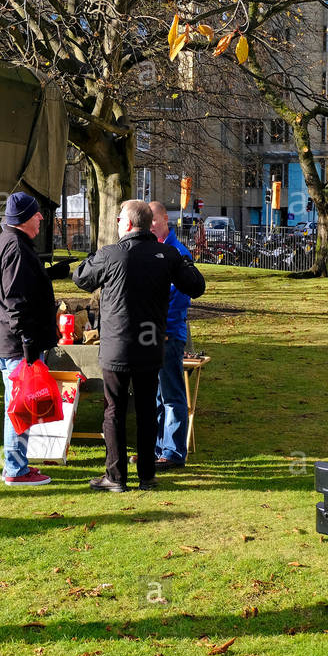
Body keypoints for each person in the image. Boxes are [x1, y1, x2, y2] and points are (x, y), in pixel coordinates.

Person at [73, 199, 205, 492]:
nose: (117, 222)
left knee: (114, 410)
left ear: (129, 224)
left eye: (119, 219)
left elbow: (80, 277)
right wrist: (182, 263)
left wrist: (99, 258)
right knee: (147, 409)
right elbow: (196, 285)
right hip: (149, 344)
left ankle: (116, 476)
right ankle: (146, 475)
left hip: (117, 346)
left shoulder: (111, 255)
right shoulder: (167, 254)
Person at [0, 191, 59, 486]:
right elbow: (16, 300)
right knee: (20, 406)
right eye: (37, 213)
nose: (41, 217)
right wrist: (29, 342)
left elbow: (21, 286)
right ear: (25, 218)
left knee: (19, 404)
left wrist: (51, 274)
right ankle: (15, 469)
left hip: (12, 341)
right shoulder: (15, 247)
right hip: (18, 344)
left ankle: (17, 464)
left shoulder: (9, 242)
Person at [149, 201, 193, 470]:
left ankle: (174, 452)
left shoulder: (178, 252)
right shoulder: (153, 250)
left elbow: (179, 298)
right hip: (153, 333)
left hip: (168, 334)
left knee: (172, 393)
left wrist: (164, 330)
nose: (150, 225)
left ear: (166, 218)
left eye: (153, 219)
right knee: (157, 395)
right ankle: (157, 449)